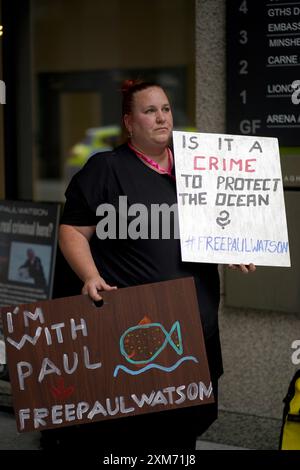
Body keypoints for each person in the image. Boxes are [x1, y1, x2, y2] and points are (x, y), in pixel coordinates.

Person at [53, 79, 255, 451]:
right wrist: (90, 275)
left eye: (165, 109)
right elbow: (72, 231)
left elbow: (212, 227)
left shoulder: (196, 168)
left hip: (196, 325)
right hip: (137, 329)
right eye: (149, 111)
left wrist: (231, 247)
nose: (161, 118)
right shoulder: (106, 169)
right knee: (139, 434)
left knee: (186, 427)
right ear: (130, 122)